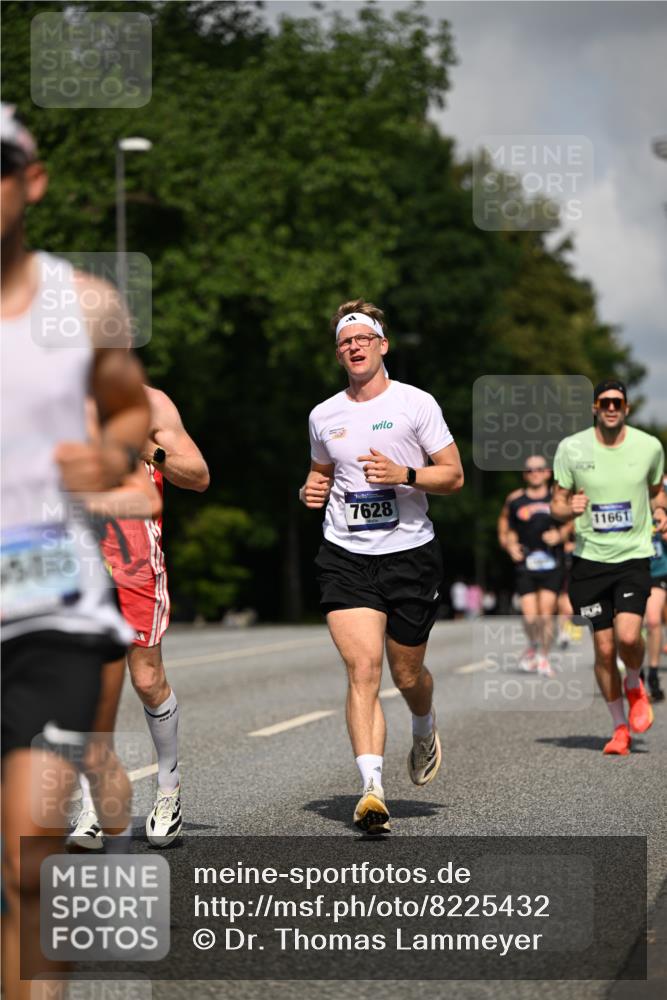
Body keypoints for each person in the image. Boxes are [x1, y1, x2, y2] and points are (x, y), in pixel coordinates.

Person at [1, 105, 150, 999]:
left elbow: (128, 403)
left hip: (50, 604)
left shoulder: (84, 303)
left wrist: (115, 452)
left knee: (28, 851)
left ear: (32, 180)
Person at [300, 299, 464, 833]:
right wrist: (310, 488)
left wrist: (404, 473)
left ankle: (423, 722)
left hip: (411, 554)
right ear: (339, 351)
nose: (354, 346)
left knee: (407, 672)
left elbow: (454, 476)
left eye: (363, 338)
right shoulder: (324, 415)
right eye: (345, 341)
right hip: (345, 555)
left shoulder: (417, 404)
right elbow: (320, 472)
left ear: (382, 345)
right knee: (362, 669)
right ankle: (371, 788)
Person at [69, 386, 210, 850]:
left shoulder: (150, 403)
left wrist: (148, 448)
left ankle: (168, 789)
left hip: (133, 558)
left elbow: (198, 475)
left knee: (147, 680)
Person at [551, 379, 667, 755]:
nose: (612, 407)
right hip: (589, 561)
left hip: (633, 556)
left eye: (618, 402)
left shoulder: (649, 447)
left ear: (627, 408)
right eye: (605, 402)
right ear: (595, 408)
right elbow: (556, 503)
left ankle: (634, 680)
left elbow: (655, 491)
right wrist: (569, 509)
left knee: (630, 637)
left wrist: (662, 510)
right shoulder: (572, 448)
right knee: (603, 650)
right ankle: (619, 728)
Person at [498, 456, 572, 677]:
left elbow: (574, 519)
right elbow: (505, 526)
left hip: (552, 562)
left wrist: (560, 534)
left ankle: (543, 657)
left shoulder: (557, 499)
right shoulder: (515, 500)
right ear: (524, 474)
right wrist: (510, 545)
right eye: (529, 470)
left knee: (546, 612)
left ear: (548, 472)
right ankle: (533, 645)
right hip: (526, 563)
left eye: (539, 469)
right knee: (530, 615)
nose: (535, 473)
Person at [644, 517, 667, 702]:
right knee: (627, 630)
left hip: (658, 570)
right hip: (627, 569)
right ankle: (635, 675)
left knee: (653, 620)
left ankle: (652, 673)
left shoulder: (663, 498)